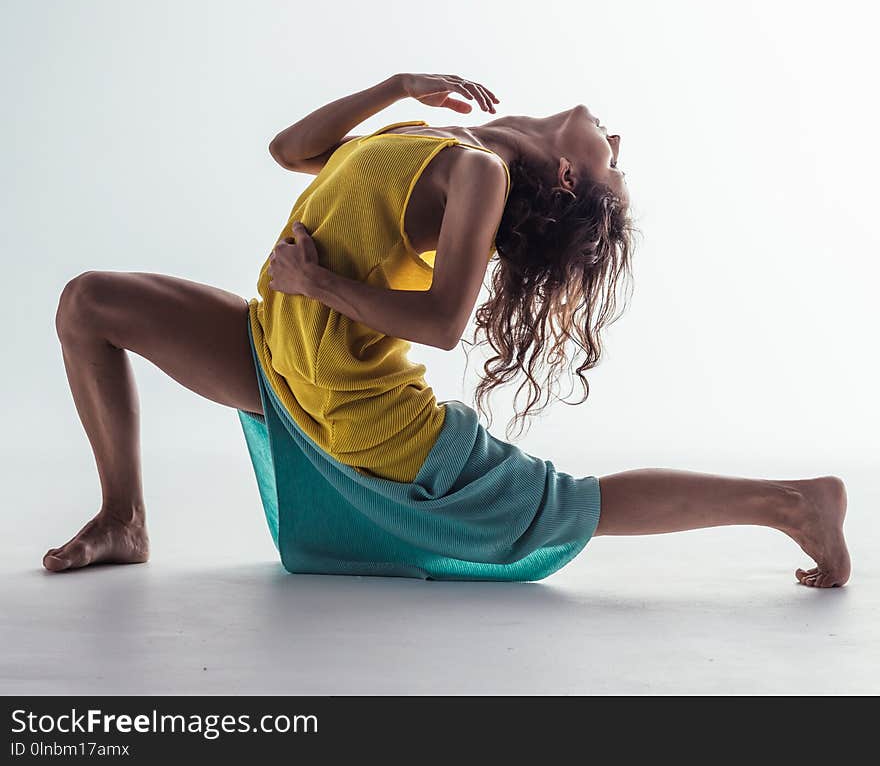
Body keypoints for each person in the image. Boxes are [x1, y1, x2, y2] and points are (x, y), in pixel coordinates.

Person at [44, 72, 850, 588]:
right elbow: (292, 150)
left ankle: (793, 504)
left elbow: (441, 321)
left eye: (616, 164)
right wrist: (397, 85)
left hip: (362, 409)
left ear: (566, 175)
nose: (618, 142)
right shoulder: (440, 139)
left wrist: (316, 281)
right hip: (280, 359)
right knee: (89, 303)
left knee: (565, 504)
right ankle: (126, 518)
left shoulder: (481, 174)